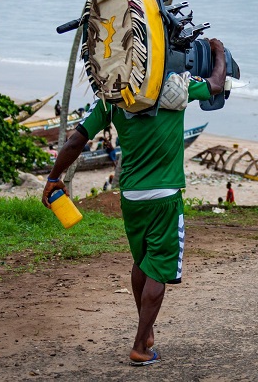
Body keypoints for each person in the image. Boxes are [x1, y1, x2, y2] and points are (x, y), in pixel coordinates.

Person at [40, 38, 227, 367]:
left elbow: (77, 141)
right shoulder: (177, 87)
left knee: (142, 262)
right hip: (165, 196)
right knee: (158, 269)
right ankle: (141, 345)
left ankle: (147, 331)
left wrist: (54, 176)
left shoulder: (115, 96)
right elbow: (216, 84)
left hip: (131, 196)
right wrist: (219, 52)